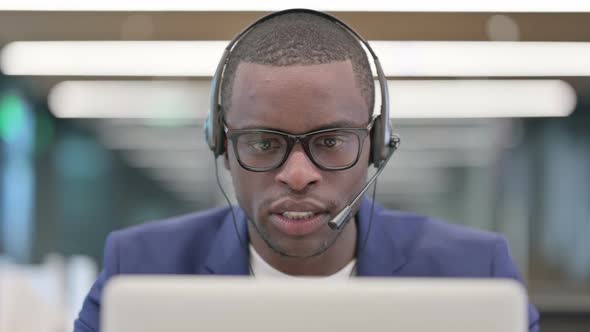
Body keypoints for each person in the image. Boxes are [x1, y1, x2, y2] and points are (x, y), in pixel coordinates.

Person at [74, 9, 540, 332]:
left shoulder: (477, 274)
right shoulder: (138, 270)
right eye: (263, 143)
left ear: (377, 145)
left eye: (330, 141)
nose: (298, 176)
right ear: (220, 142)